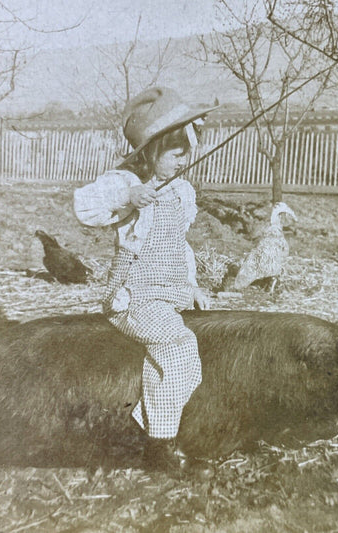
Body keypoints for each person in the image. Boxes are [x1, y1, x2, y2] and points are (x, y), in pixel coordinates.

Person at [74, 87, 216, 470]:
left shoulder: (183, 191)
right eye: (175, 152)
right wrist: (128, 197)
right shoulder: (124, 183)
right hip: (133, 297)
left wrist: (193, 285)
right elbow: (84, 206)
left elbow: (178, 244)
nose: (184, 160)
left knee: (204, 347)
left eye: (189, 150)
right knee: (177, 345)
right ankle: (158, 448)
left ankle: (160, 427)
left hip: (170, 292)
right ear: (150, 151)